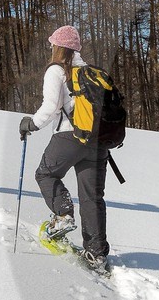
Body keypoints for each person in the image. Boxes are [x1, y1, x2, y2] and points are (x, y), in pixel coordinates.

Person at [19, 25, 110, 274]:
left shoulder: (57, 70)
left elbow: (50, 106)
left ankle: (63, 214)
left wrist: (31, 124)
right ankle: (97, 255)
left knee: (45, 174)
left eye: (52, 45)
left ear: (58, 47)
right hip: (98, 141)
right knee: (92, 198)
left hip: (70, 136)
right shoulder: (90, 71)